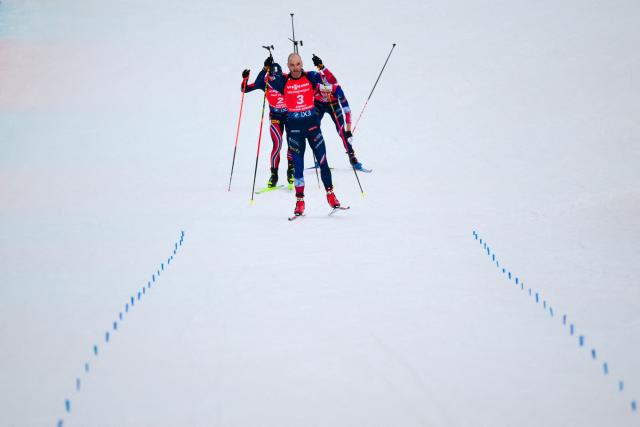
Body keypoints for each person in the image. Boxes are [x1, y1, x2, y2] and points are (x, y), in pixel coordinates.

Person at [255, 53, 343, 216]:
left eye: (298, 64)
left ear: (302, 63)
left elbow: (332, 81)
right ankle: (300, 201)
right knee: (298, 167)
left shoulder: (311, 76)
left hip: (312, 127)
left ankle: (331, 195)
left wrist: (322, 67)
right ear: (288, 66)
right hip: (294, 129)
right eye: (292, 65)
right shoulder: (283, 81)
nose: (296, 68)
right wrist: (265, 68)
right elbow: (261, 83)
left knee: (323, 160)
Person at [241, 61, 294, 188]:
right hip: (275, 116)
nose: (275, 78)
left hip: (289, 115)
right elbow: (244, 89)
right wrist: (245, 79)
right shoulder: (264, 81)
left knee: (292, 143)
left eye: (278, 75)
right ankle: (274, 174)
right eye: (272, 76)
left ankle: (291, 171)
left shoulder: (287, 78)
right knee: (277, 144)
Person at [310, 54, 364, 170]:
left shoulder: (336, 88)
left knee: (341, 131)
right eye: (324, 90)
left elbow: (347, 109)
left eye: (329, 90)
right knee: (313, 128)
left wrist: (348, 131)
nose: (327, 92)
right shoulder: (316, 81)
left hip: (333, 105)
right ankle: (319, 158)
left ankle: (352, 156)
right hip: (318, 105)